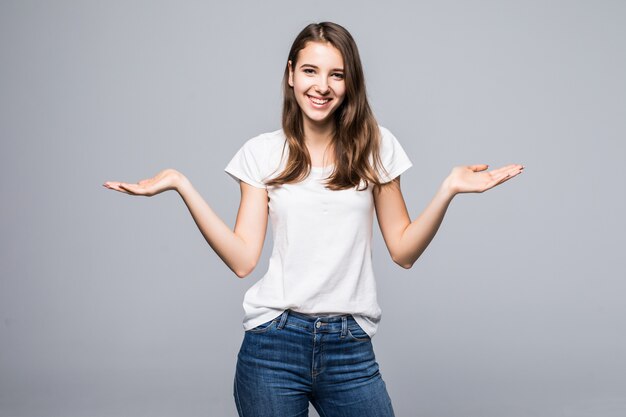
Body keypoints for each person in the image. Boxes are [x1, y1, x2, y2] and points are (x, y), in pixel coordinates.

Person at [104, 21, 523, 417]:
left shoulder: (375, 147)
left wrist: (448, 188)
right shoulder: (262, 153)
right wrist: (181, 184)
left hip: (350, 346)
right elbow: (242, 259)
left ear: (350, 82)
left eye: (336, 75)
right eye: (310, 71)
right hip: (273, 346)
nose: (321, 86)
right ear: (290, 74)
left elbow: (404, 251)